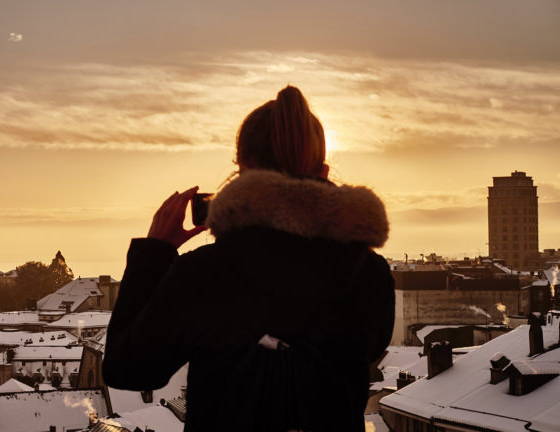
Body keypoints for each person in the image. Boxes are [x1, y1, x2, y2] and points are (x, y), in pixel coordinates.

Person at [103, 85, 394, 431]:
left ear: (245, 169)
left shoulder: (201, 275)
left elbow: (128, 369)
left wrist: (154, 254)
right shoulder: (370, 275)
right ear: (323, 173)